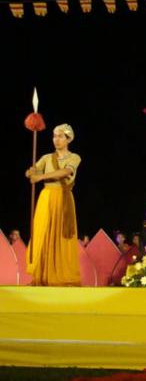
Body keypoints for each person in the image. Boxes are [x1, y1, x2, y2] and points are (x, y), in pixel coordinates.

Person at [25, 123, 81, 286]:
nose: (56, 139)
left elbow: (65, 172)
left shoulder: (74, 157)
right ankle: (40, 276)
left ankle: (63, 276)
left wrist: (41, 177)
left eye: (60, 136)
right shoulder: (46, 158)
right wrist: (31, 172)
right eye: (54, 136)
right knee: (42, 233)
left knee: (62, 236)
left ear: (68, 139)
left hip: (63, 199)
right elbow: (32, 171)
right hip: (47, 198)